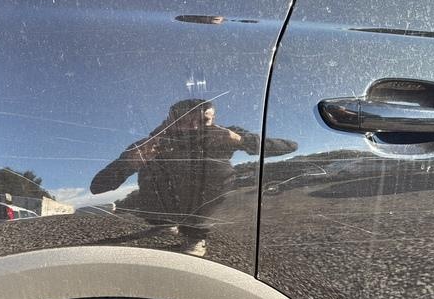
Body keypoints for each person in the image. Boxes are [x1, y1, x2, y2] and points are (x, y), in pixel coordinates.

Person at [90, 99, 297, 255]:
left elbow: (289, 146)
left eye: (203, 121)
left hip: (203, 202)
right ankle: (162, 221)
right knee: (152, 171)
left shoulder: (222, 135)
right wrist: (129, 163)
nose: (195, 128)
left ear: (213, 120)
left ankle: (195, 234)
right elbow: (97, 186)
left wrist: (241, 140)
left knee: (215, 168)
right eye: (185, 122)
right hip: (158, 204)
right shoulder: (151, 144)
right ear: (171, 121)